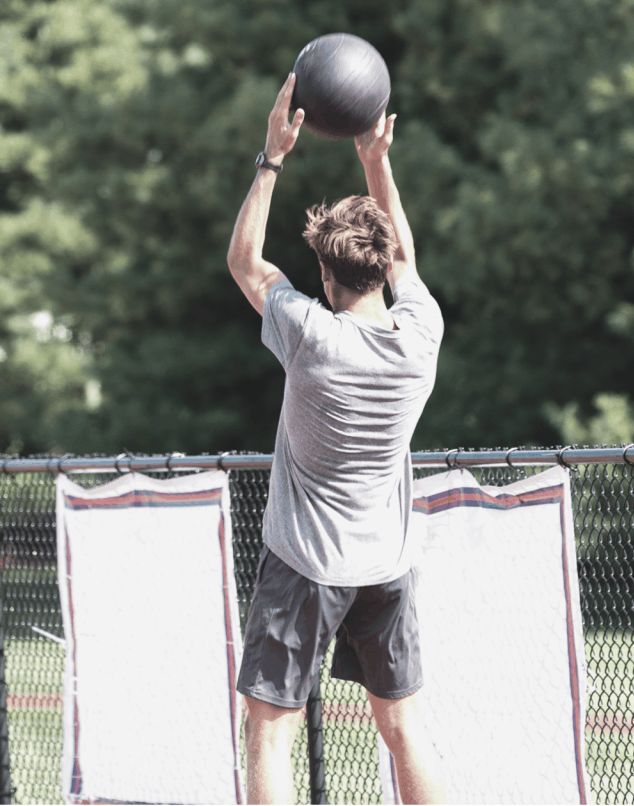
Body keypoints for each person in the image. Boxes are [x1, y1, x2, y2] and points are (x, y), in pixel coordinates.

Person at [227, 73, 445, 805]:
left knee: (269, 731)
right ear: (384, 266)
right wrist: (375, 159)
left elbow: (246, 263)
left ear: (325, 275)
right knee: (404, 726)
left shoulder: (312, 334)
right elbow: (408, 261)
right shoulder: (421, 336)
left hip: (306, 566)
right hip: (387, 563)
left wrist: (272, 157)